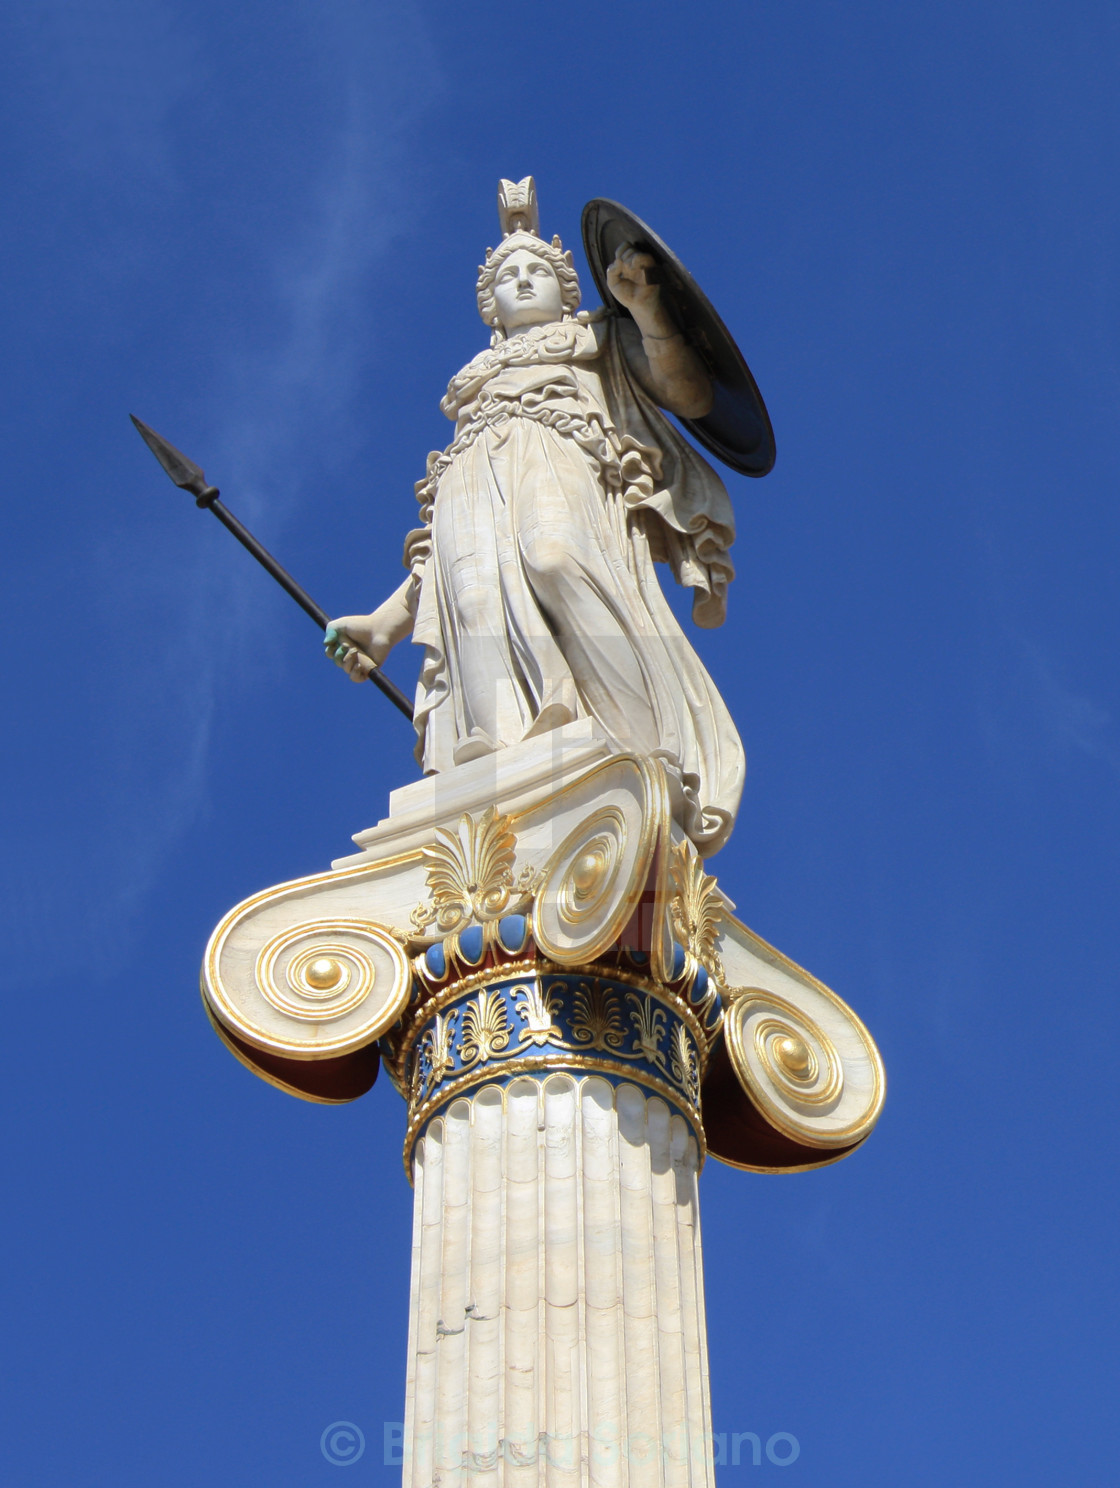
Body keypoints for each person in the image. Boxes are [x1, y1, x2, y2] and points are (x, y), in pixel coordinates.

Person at [325, 179, 745, 854]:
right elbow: (431, 554)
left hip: (561, 458)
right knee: (470, 594)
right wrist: (384, 625)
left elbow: (688, 393)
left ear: (565, 289)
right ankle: (496, 748)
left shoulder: (599, 340)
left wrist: (647, 310)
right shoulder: (471, 388)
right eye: (507, 276)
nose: (521, 282)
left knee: (555, 558)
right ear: (488, 304)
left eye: (536, 272)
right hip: (472, 480)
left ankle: (636, 741)